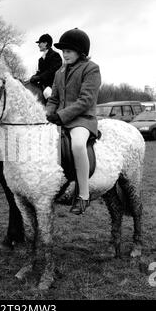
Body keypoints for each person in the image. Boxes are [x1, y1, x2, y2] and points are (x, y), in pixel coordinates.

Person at [46, 28, 101, 215]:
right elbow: (53, 98)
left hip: (82, 119)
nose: (65, 54)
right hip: (60, 119)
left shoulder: (91, 68)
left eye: (69, 51)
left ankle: (83, 195)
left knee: (77, 145)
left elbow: (86, 100)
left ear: (81, 51)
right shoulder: (59, 71)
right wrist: (47, 115)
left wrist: (61, 116)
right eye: (63, 51)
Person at [30, 33, 62, 99]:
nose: (38, 45)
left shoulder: (55, 55)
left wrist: (39, 77)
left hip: (53, 84)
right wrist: (34, 76)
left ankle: (53, 108)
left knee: (47, 93)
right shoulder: (41, 59)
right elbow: (40, 71)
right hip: (43, 84)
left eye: (40, 43)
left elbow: (52, 71)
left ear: (45, 43)